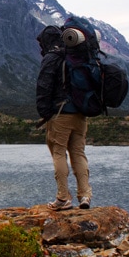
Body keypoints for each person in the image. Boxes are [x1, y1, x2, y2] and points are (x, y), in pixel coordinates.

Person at [35, 25, 91, 211]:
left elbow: (44, 86)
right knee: (78, 153)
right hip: (81, 114)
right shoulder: (74, 56)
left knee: (59, 153)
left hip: (60, 114)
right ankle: (85, 196)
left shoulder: (52, 58)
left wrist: (45, 113)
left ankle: (62, 198)